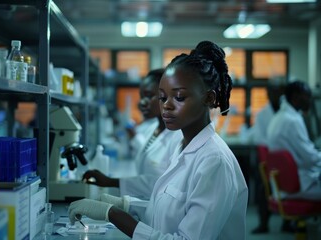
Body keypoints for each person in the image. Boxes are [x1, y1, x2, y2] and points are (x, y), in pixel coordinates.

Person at [68, 40, 248, 239]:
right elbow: (168, 211)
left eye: (179, 97)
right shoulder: (183, 147)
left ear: (209, 98)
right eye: (162, 98)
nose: (167, 106)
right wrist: (125, 205)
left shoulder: (214, 161)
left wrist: (113, 214)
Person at [83, 68, 183, 200]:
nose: (142, 102)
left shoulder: (179, 137)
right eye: (141, 96)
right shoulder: (152, 128)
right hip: (146, 207)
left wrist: (112, 182)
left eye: (149, 95)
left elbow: (163, 184)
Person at [267, 80, 321, 200]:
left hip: (282, 186)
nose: (310, 100)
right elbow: (310, 158)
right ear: (296, 97)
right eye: (307, 96)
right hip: (298, 185)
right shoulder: (293, 120)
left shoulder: (278, 117)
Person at [249, 81, 286, 234]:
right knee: (263, 188)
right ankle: (264, 223)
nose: (276, 95)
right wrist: (275, 145)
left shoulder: (287, 112)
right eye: (273, 92)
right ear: (268, 94)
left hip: (284, 158)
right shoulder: (263, 114)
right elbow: (259, 138)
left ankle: (288, 222)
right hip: (267, 158)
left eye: (278, 92)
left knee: (287, 188)